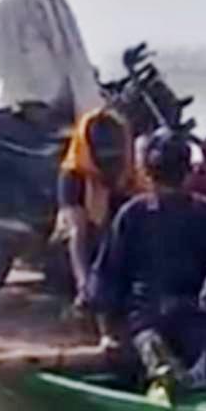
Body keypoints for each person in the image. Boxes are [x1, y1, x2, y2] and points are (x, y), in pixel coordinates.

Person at [85, 128, 206, 392]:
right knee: (158, 354)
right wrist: (108, 336)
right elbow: (108, 276)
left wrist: (107, 332)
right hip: (148, 319)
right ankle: (169, 380)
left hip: (189, 317)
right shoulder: (135, 215)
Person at [55, 108, 147, 298]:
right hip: (85, 245)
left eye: (115, 155)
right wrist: (84, 284)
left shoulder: (131, 173)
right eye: (104, 156)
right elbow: (77, 232)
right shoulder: (72, 176)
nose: (110, 162)